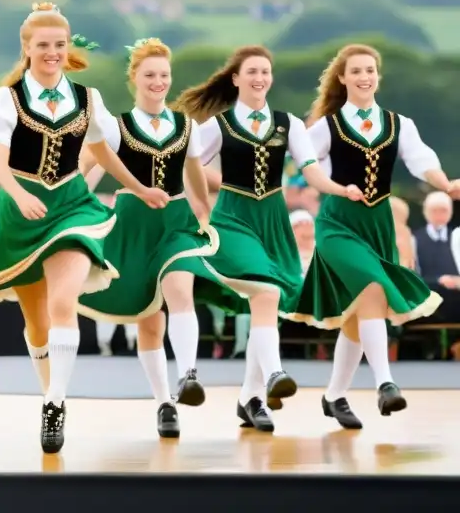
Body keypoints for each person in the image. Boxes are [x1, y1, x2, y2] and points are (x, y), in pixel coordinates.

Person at [0, 3, 169, 453]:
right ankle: (49, 388)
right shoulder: (6, 98)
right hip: (21, 211)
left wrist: (141, 187)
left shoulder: (88, 99)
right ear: (27, 49)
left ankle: (55, 403)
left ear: (67, 47)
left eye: (59, 45)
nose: (52, 52)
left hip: (71, 206)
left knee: (63, 302)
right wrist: (18, 193)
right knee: (36, 322)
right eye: (43, 45)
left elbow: (105, 152)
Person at [172, 44, 364, 432]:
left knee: (271, 304)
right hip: (233, 218)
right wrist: (202, 207)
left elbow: (310, 171)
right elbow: (186, 164)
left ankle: (251, 399)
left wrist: (339, 189)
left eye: (265, 72)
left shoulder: (289, 124)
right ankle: (275, 374)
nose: (260, 79)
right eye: (253, 72)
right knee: (266, 291)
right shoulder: (218, 126)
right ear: (236, 79)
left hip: (274, 221)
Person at [289, 43, 456, 428]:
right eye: (357, 71)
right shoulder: (326, 127)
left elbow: (422, 161)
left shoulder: (400, 124)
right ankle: (385, 383)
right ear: (343, 78)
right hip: (337, 223)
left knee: (361, 313)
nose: (365, 77)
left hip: (377, 222)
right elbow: (304, 165)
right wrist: (333, 186)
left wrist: (444, 184)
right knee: (373, 290)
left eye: (370, 70)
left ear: (377, 76)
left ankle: (334, 396)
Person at [76, 38, 219, 439]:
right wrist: (77, 209)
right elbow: (89, 169)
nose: (158, 82)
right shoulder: (117, 127)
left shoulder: (186, 126)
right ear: (134, 79)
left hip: (175, 223)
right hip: (132, 226)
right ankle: (163, 402)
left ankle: (188, 373)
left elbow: (193, 175)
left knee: (179, 288)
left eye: (164, 75)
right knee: (150, 324)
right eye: (150, 75)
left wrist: (205, 213)